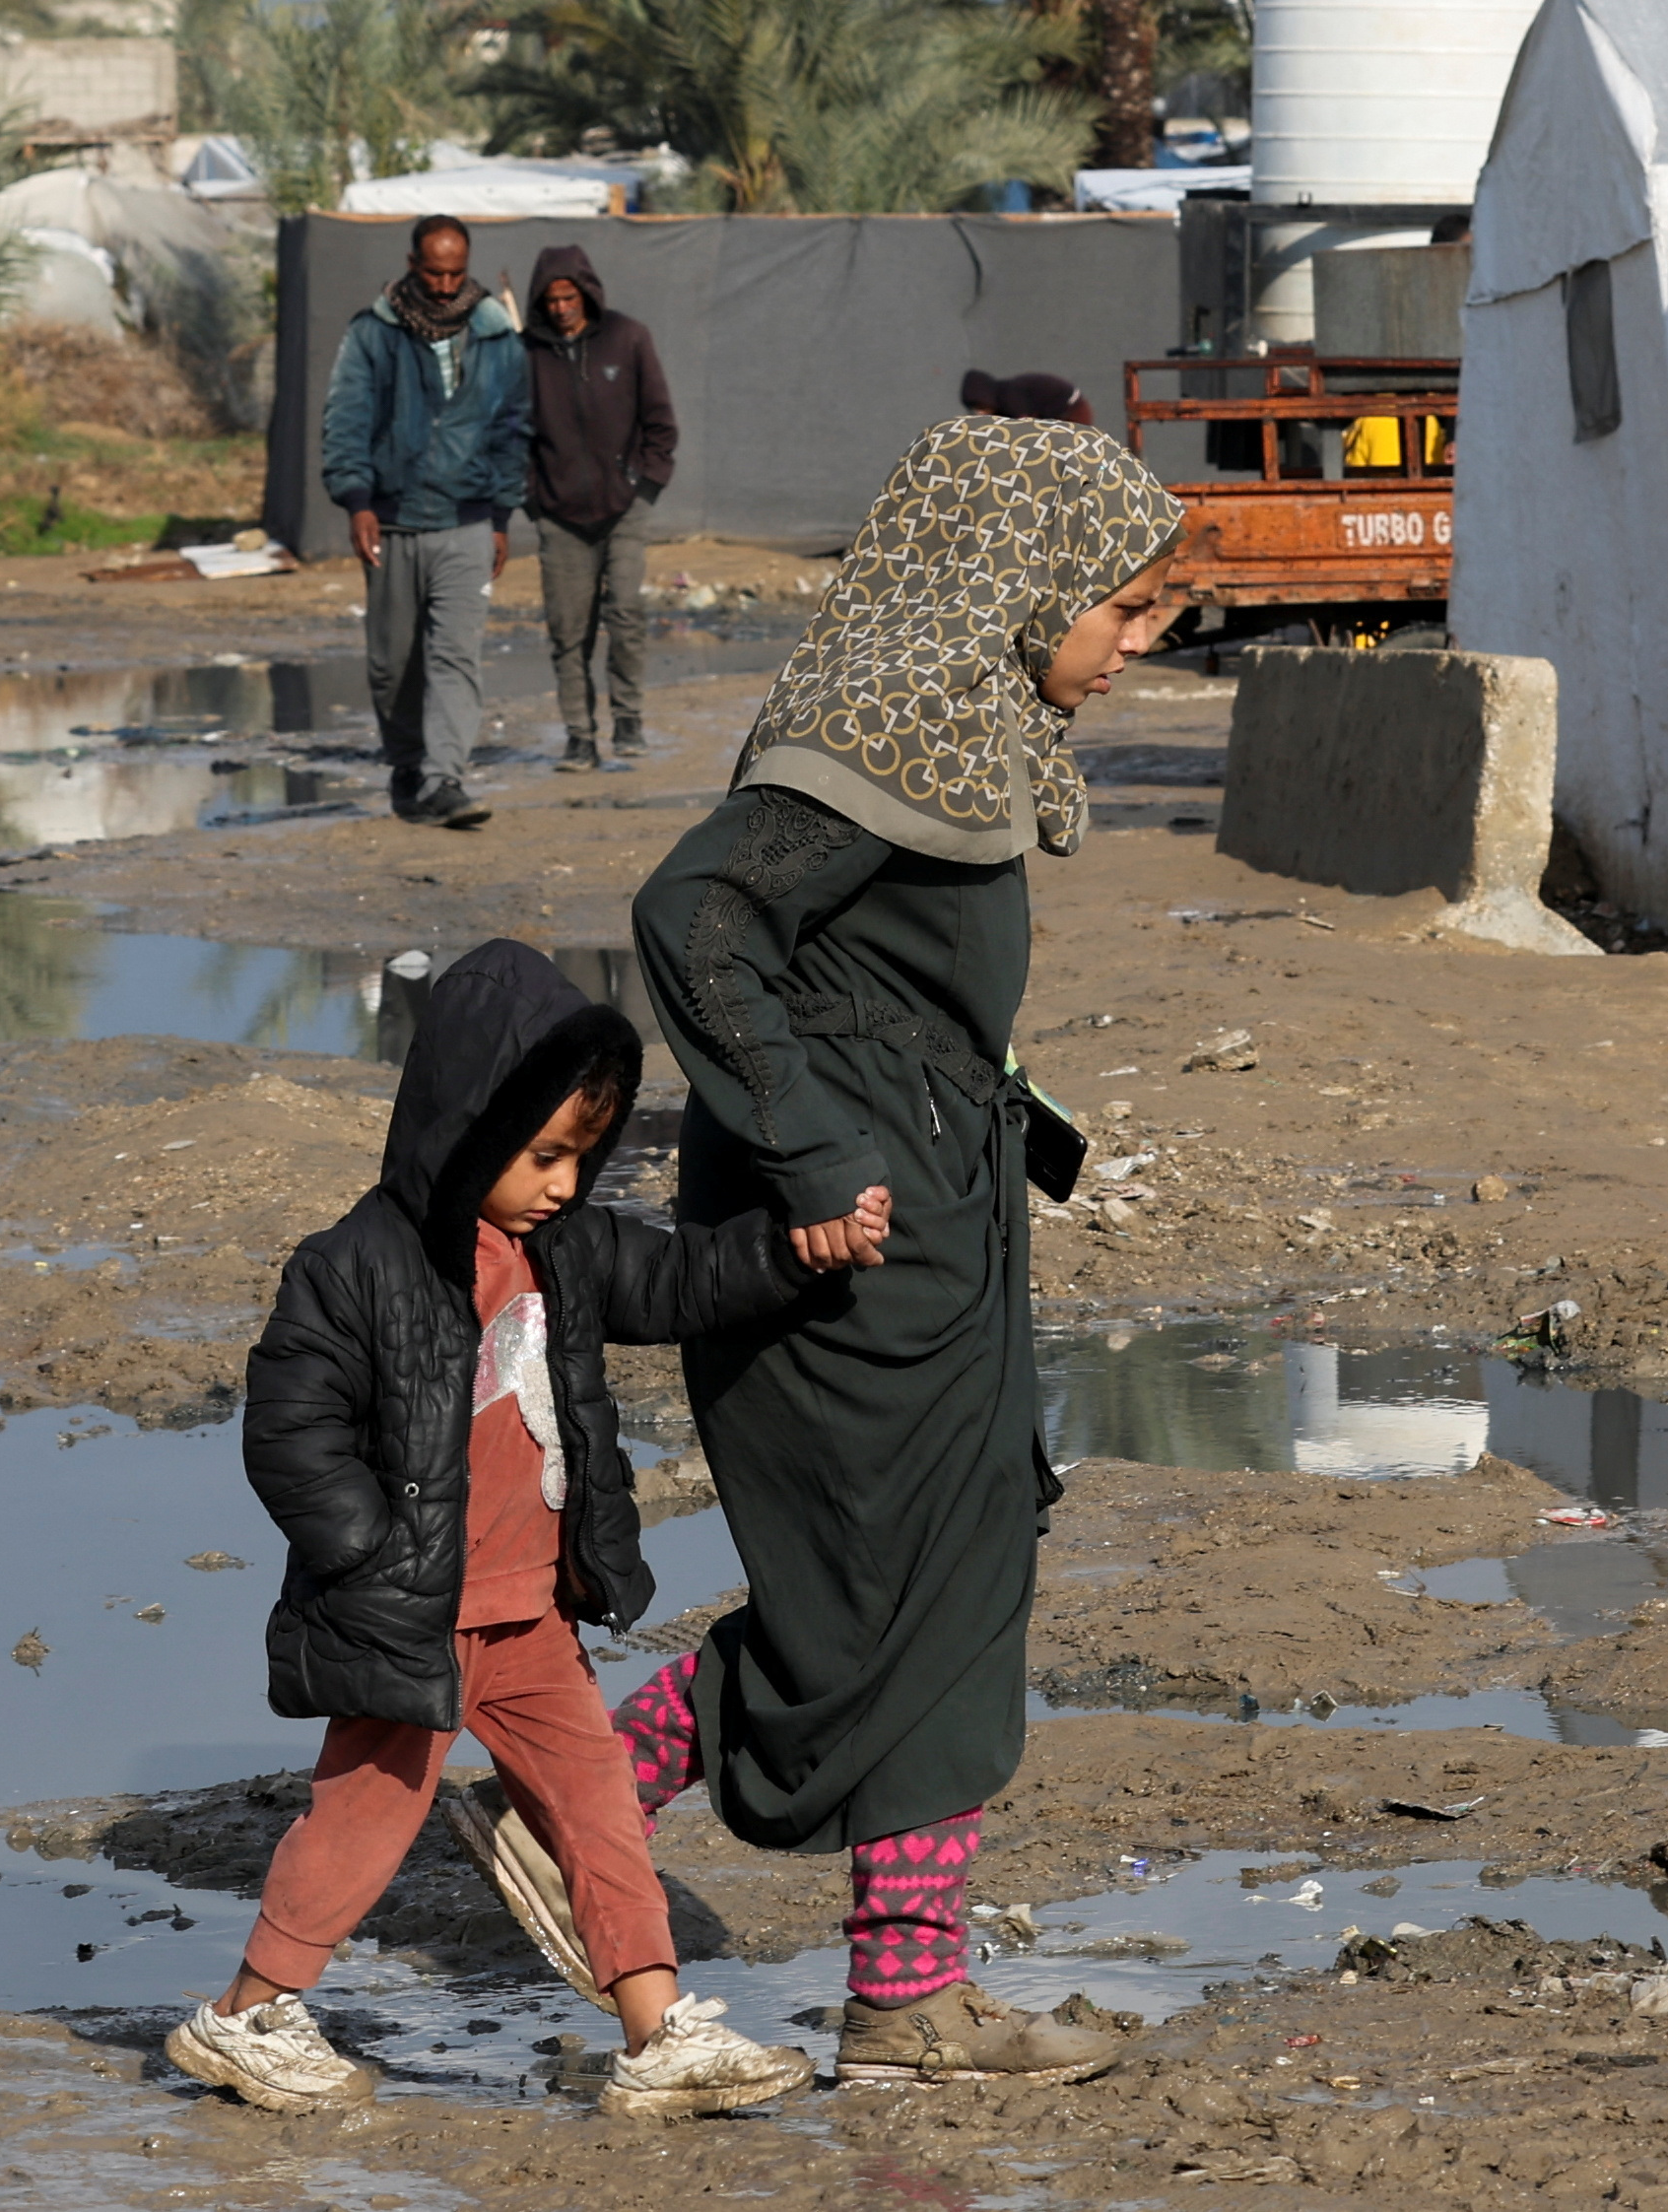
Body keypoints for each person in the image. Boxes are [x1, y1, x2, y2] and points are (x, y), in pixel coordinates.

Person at [468, 417, 1183, 2085]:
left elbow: (896, 992)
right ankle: (576, 1803)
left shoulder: (960, 723)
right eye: (1126, 610)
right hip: (847, 1243)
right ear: (1028, 583)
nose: (1136, 647)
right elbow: (694, 921)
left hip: (936, 1226)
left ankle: (905, 1993)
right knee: (873, 1602)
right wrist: (810, 1144)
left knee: (953, 1574)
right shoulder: (886, 727)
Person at [167, 938, 886, 2119]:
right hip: (411, 1614)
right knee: (362, 1818)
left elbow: (684, 1280)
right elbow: (289, 1431)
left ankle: (657, 2033)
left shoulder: (568, 1251)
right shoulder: (353, 1268)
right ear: (464, 1126)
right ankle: (246, 2013)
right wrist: (372, 1553)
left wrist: (794, 1251)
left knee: (596, 1804)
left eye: (580, 1156)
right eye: (542, 1153)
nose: (563, 1181)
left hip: (529, 1613)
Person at [321, 213, 528, 830]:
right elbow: (345, 419)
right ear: (413, 265)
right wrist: (357, 500)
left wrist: (500, 516)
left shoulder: (496, 336)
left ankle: (445, 779)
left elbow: (512, 431)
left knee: (455, 655)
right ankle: (409, 763)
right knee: (392, 664)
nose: (444, 286)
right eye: (433, 273)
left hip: (466, 522)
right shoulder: (371, 334)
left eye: (455, 273)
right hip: (392, 522)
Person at [525, 243, 678, 772]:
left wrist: (645, 485)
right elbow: (512, 434)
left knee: (627, 613)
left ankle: (628, 719)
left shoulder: (627, 339)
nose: (561, 308)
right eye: (551, 300)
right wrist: (535, 499)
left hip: (625, 508)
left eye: (569, 297)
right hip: (560, 515)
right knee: (568, 630)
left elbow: (661, 422)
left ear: (586, 293)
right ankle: (579, 736)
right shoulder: (528, 354)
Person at [960, 369, 1097, 426]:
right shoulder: (1006, 396)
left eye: (981, 407)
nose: (980, 413)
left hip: (1072, 412)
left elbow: (1024, 428)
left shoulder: (1010, 400)